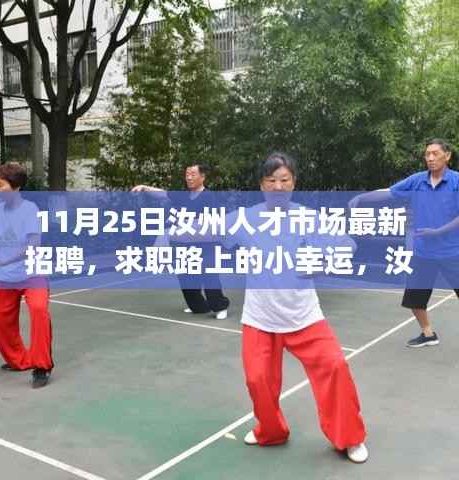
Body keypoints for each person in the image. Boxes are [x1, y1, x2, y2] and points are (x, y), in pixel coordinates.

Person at [174, 153, 368, 462]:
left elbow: (347, 245)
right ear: (262, 185)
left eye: (284, 180)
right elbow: (203, 228)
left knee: (335, 367)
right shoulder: (246, 219)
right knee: (258, 380)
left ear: (294, 183)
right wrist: (166, 233)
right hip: (260, 317)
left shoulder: (308, 218)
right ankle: (271, 431)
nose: (278, 186)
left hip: (304, 316)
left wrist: (323, 264)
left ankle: (349, 438)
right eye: (271, 180)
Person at [349, 138, 459, 348]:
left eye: (435, 153)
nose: (430, 158)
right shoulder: (417, 181)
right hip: (423, 252)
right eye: (427, 154)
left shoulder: (456, 182)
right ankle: (428, 334)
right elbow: (389, 192)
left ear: (447, 156)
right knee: (415, 299)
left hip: (452, 252)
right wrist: (362, 197)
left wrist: (438, 231)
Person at [0, 163, 53, 388]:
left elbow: (33, 244)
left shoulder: (30, 209)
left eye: (0, 185)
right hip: (5, 277)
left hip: (32, 274)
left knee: (39, 311)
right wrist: (4, 264)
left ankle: (41, 366)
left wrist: (5, 260)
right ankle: (20, 360)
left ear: (16, 186)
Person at [132, 164, 230, 319]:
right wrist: (144, 187)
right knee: (186, 278)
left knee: (209, 277)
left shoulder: (209, 197)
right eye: (187, 174)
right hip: (184, 245)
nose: (189, 177)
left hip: (205, 245)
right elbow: (163, 194)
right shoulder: (183, 195)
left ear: (202, 177)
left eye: (193, 174)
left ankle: (220, 307)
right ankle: (198, 307)